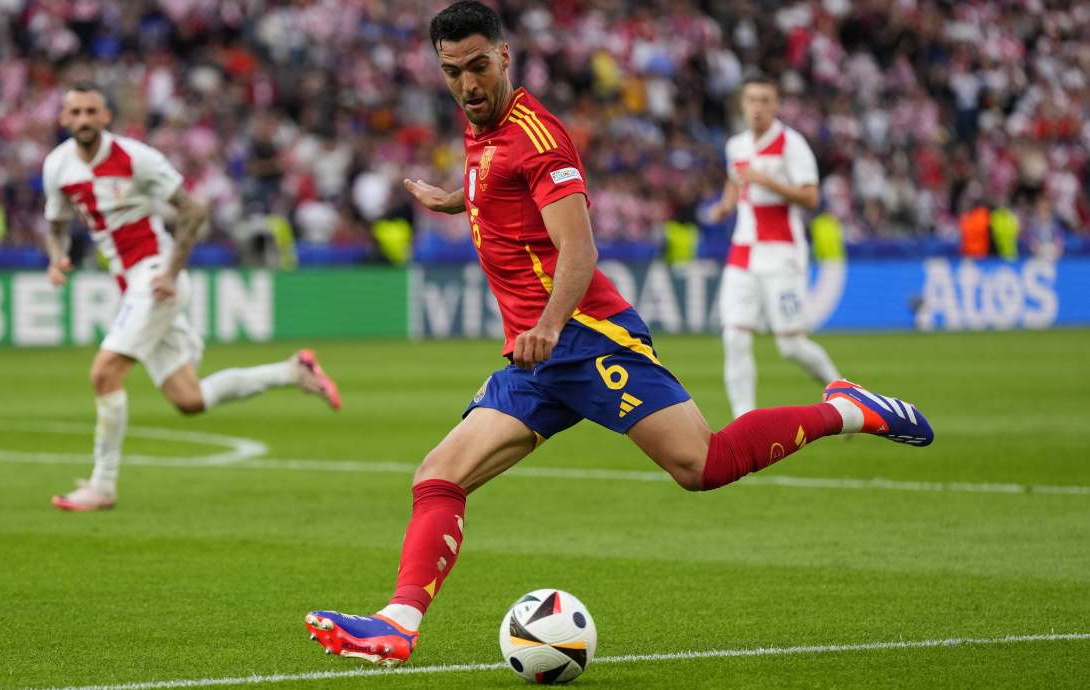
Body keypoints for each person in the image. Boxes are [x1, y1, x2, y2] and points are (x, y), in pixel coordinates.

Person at [303, 2, 932, 668]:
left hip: (585, 338)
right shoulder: (479, 127)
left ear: (506, 56)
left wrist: (549, 324)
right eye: (452, 71)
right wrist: (456, 197)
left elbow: (580, 250)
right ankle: (397, 626)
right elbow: (497, 179)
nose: (468, 85)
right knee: (437, 476)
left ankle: (845, 410)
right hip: (534, 357)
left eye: (479, 67)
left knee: (702, 465)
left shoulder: (539, 137)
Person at [41, 82, 342, 512]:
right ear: (64, 119)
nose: (85, 120)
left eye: (92, 111)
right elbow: (55, 221)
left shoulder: (136, 158)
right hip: (131, 283)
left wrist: (171, 270)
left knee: (104, 373)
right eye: (77, 113)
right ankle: (292, 372)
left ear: (107, 116)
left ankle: (102, 486)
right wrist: (57, 258)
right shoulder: (57, 166)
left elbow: (194, 209)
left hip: (155, 275)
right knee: (189, 400)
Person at [708, 75, 844, 418]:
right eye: (752, 100)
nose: (757, 107)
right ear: (742, 104)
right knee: (734, 336)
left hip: (781, 252)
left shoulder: (791, 144)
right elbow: (733, 179)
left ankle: (842, 393)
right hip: (742, 251)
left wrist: (769, 181)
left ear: (776, 105)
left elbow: (811, 196)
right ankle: (745, 419)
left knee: (791, 346)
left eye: (765, 100)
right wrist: (725, 204)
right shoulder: (736, 145)